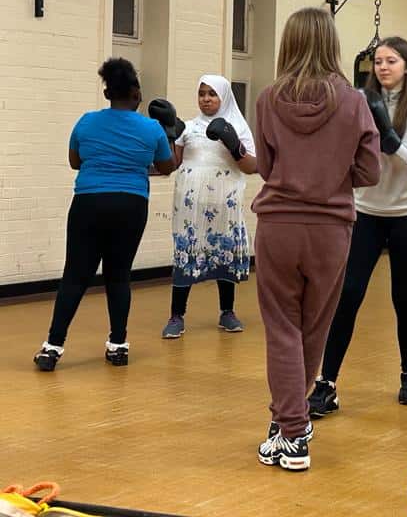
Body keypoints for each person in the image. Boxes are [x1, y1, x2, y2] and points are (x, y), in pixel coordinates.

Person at [252, 7, 380, 471]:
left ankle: (291, 431)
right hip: (332, 229)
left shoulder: (268, 99)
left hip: (279, 226)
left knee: (281, 327)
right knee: (313, 328)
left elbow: (265, 166)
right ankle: (292, 423)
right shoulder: (354, 102)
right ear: (332, 44)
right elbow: (369, 170)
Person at [308, 36, 407, 416]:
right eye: (378, 61)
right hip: (366, 212)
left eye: (391, 61)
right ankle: (326, 383)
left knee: (404, 295)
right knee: (349, 293)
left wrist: (382, 124)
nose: (383, 67)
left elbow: (405, 157)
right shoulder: (358, 105)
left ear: (406, 67)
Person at [34, 58, 177, 371]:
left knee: (75, 275)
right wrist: (171, 134)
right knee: (119, 275)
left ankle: (52, 348)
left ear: (107, 93)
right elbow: (167, 167)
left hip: (89, 202)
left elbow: (75, 161)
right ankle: (118, 346)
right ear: (136, 93)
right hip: (131, 204)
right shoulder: (151, 128)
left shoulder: (86, 122)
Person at [161, 75, 258, 339]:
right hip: (191, 206)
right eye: (202, 93)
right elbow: (172, 163)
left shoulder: (238, 126)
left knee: (223, 251)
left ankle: (227, 312)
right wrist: (169, 134)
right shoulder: (188, 128)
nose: (206, 98)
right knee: (186, 253)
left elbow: (252, 167)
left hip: (224, 204)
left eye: (212, 94)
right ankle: (176, 316)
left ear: (224, 96)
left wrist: (233, 143)